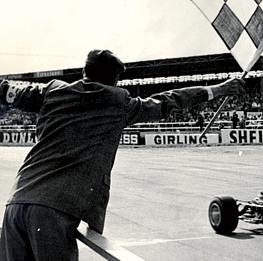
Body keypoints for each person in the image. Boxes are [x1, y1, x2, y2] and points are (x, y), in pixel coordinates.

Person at [0, 50, 245, 260]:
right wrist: (217, 89)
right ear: (114, 79)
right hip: (54, 210)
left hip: (16, 204)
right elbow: (169, 100)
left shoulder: (52, 91)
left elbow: (8, 90)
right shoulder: (117, 102)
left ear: (85, 71)